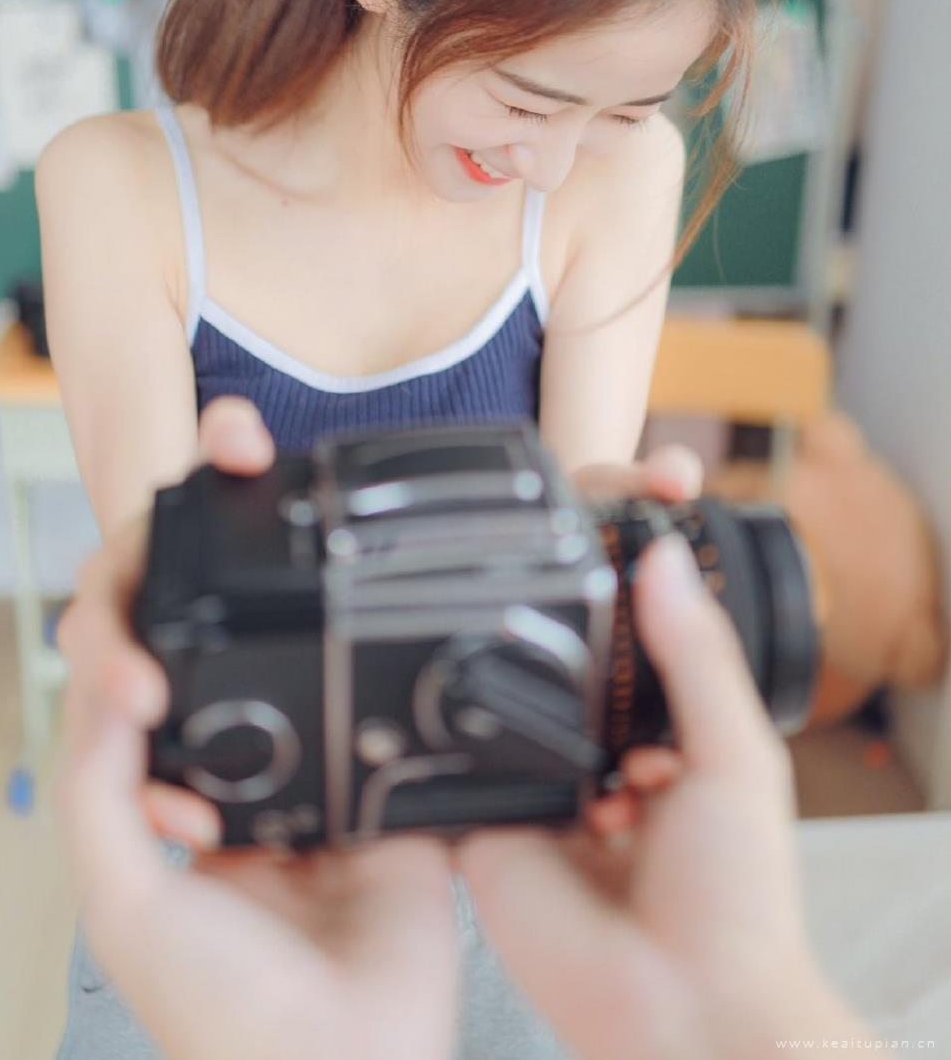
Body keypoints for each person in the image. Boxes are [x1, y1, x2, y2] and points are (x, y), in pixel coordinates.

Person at [35, 0, 788, 1055]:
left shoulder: (614, 176)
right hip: (231, 857)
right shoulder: (123, 187)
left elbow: (573, 552)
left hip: (497, 841)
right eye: (524, 96)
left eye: (620, 109)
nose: (554, 160)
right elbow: (182, 627)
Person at [56, 398, 877, 1060]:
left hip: (506, 848)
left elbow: (564, 498)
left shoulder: (612, 239)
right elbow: (157, 603)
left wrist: (715, 1012)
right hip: (247, 855)